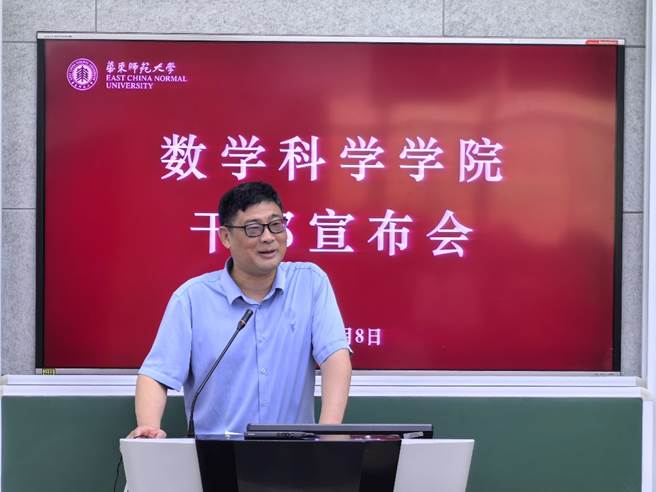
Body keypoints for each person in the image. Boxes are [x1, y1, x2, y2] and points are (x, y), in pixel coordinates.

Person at [130, 181, 352, 438]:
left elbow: (335, 357)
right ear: (226, 237)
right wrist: (149, 427)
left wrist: (328, 433)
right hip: (217, 453)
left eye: (276, 224)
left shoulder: (310, 283)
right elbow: (156, 375)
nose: (268, 237)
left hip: (293, 451)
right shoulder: (191, 299)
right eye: (253, 229)